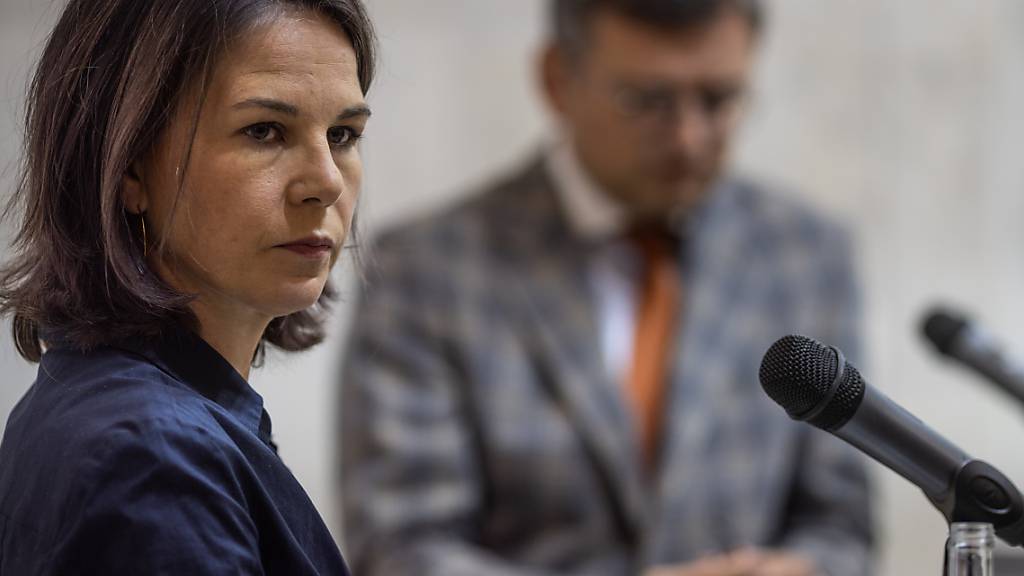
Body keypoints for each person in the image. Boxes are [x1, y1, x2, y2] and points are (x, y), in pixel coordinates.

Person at [341, 0, 873, 575]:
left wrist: (802, 569)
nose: (688, 137)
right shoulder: (426, 268)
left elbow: (840, 523)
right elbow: (399, 549)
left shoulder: (805, 253)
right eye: (647, 101)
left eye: (717, 100)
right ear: (557, 80)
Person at [0, 0, 374, 573]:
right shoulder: (152, 456)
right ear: (128, 168)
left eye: (343, 134)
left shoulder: (124, 405)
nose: (325, 181)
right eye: (265, 131)